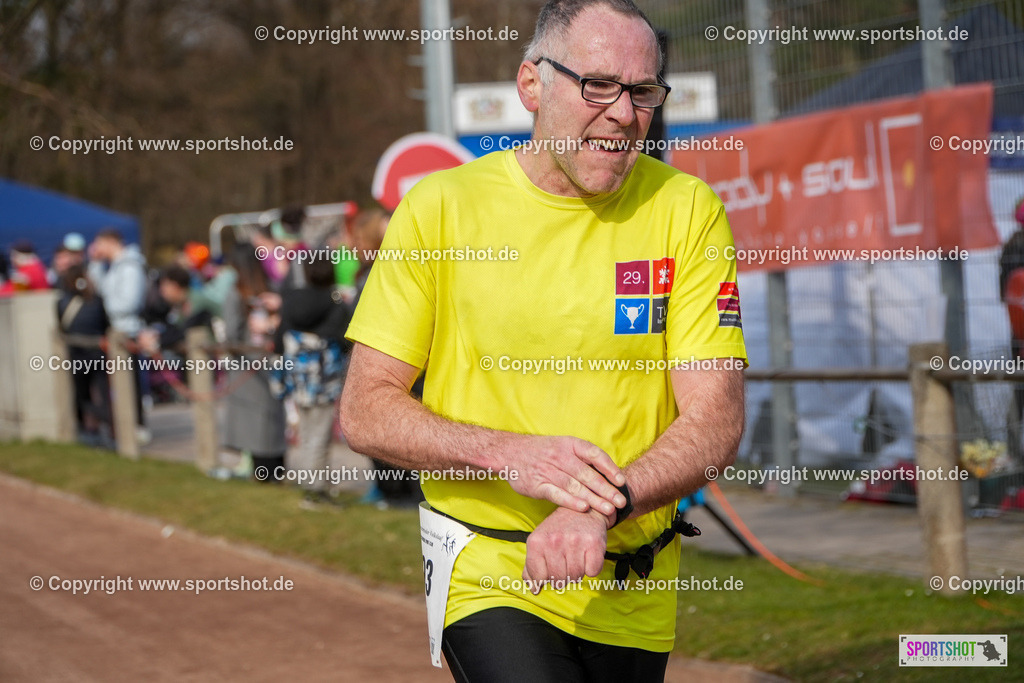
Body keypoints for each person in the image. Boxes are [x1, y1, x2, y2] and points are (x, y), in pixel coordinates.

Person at [340, 1, 746, 681]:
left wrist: (602, 505)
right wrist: (506, 455)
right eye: (597, 85)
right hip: (487, 566)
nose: (623, 113)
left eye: (642, 91)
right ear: (531, 84)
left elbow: (717, 416)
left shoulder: (688, 211)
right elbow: (365, 408)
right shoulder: (440, 209)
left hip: (629, 576)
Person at [272, 258, 352, 506]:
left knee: (307, 434)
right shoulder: (335, 303)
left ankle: (311, 485)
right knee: (319, 436)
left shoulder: (291, 300)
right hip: (323, 382)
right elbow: (345, 340)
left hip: (299, 379)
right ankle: (315, 492)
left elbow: (278, 338)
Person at [219, 246, 288, 482]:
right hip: (270, 363)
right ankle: (275, 474)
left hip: (248, 366)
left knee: (254, 425)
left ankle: (262, 475)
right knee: (271, 421)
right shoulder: (271, 289)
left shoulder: (236, 292)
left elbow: (231, 334)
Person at [87, 228, 149, 437]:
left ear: (109, 242)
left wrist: (107, 306)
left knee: (130, 381)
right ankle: (126, 425)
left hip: (128, 331)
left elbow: (128, 301)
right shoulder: (115, 267)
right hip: (117, 331)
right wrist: (95, 264)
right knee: (119, 383)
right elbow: (101, 289)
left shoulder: (130, 266)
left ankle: (138, 426)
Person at [56, 263, 112, 448]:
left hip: (77, 356)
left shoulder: (62, 301)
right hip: (98, 354)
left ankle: (86, 431)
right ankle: (108, 429)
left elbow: (62, 328)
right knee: (103, 393)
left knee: (82, 395)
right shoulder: (97, 299)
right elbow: (106, 325)